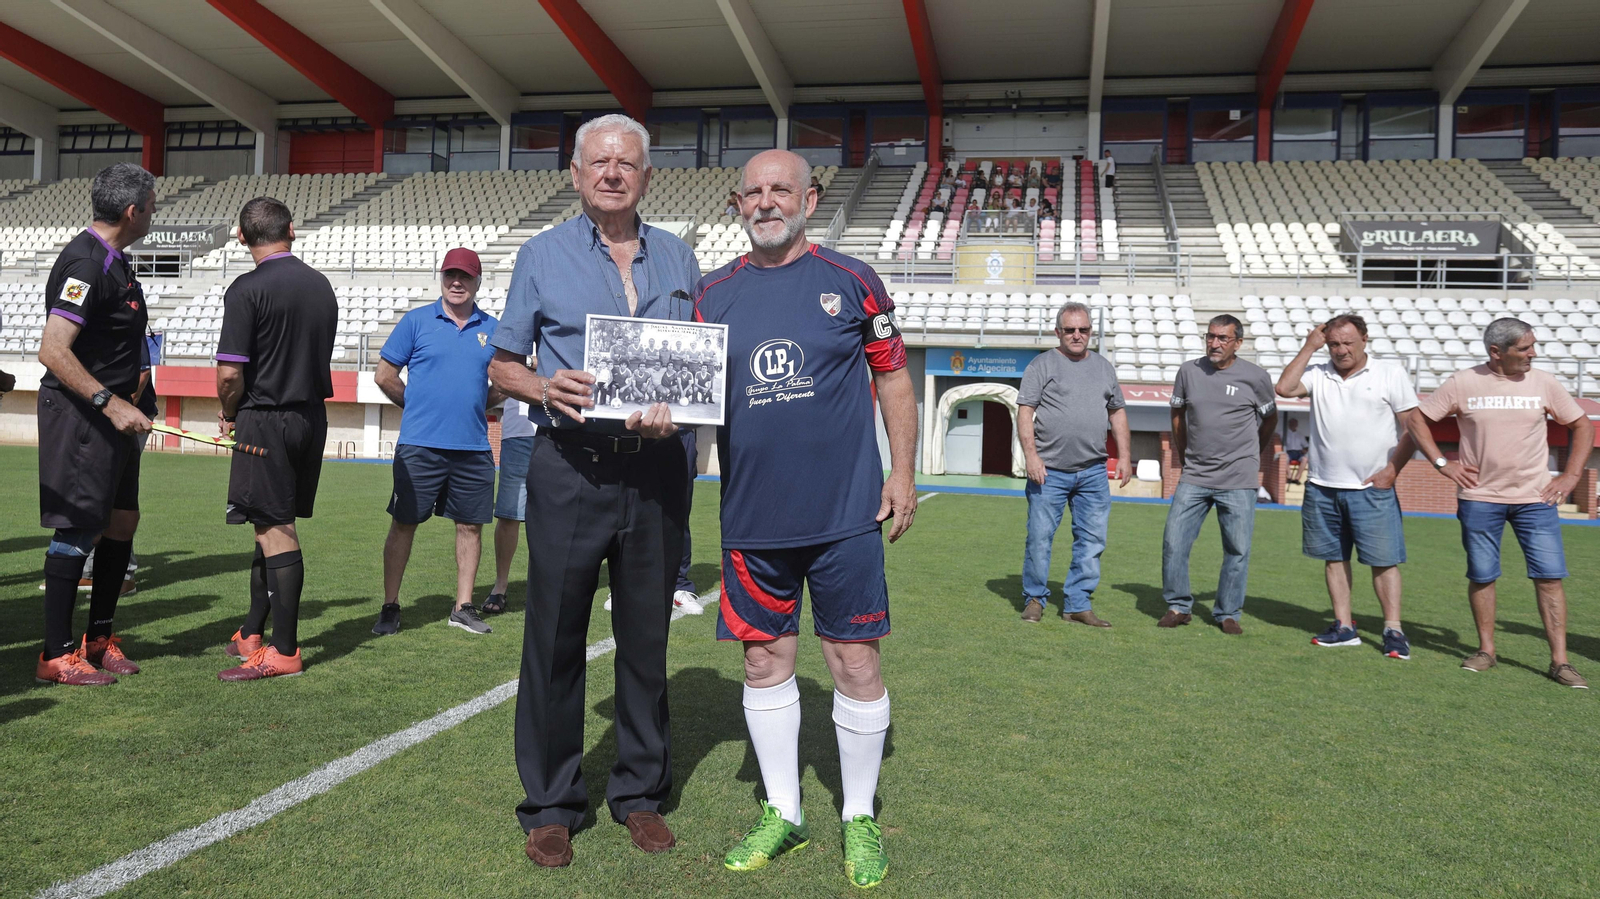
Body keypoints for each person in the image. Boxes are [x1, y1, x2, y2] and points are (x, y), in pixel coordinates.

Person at [697, 149, 916, 890]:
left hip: (847, 515)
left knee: (855, 662)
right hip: (752, 521)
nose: (766, 202)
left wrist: (905, 472)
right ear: (737, 204)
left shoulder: (852, 281)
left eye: (780, 189)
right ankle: (783, 811)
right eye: (753, 192)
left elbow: (893, 375)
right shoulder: (709, 295)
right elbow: (690, 406)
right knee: (763, 661)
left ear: (809, 199)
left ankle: (859, 815)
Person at [486, 114, 698, 867]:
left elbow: (703, 360)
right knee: (553, 637)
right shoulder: (540, 255)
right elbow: (503, 365)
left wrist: (689, 407)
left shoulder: (681, 255)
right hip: (569, 465)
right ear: (575, 175)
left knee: (647, 636)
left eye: (627, 163)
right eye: (598, 162)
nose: (612, 172)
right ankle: (550, 803)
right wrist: (545, 385)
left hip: (658, 471)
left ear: (648, 176)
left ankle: (640, 793)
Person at [1404, 318, 1594, 688]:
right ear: (1496, 352)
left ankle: (1560, 661)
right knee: (1482, 575)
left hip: (1536, 498)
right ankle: (1486, 651)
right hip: (1479, 498)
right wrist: (1443, 463)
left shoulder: (1544, 383)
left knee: (1550, 577)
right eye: (1524, 348)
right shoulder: (1463, 382)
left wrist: (1571, 475)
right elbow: (1416, 419)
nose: (1532, 354)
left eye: (1532, 346)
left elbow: (1582, 425)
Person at [33, 162, 156, 686]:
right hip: (85, 418)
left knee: (122, 524)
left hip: (119, 423)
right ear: (133, 212)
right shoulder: (85, 264)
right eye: (153, 205)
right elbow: (52, 350)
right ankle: (55, 655)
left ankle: (99, 640)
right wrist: (111, 402)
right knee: (78, 529)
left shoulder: (117, 260)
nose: (155, 212)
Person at [214, 197, 338, 681]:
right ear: (292, 229)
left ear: (242, 237)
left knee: (274, 529)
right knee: (269, 524)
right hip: (311, 418)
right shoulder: (321, 284)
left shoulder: (246, 288)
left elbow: (230, 375)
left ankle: (283, 651)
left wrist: (228, 414)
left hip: (266, 420)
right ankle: (251, 632)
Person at [370, 249, 501, 637]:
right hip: (419, 447)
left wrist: (479, 401)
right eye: (450, 275)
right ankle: (391, 606)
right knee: (404, 523)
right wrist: (417, 404)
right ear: (441, 278)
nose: (456, 282)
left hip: (474, 447)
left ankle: (462, 607)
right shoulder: (416, 321)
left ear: (478, 282)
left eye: (465, 276)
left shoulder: (493, 329)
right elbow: (384, 375)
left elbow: (506, 384)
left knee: (471, 527)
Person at [1275, 315, 1419, 659]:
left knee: (1383, 562)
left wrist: (1393, 470)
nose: (1340, 351)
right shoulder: (1318, 372)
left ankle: (1393, 630)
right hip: (1323, 486)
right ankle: (1343, 626)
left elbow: (1413, 428)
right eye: (1334, 344)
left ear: (1365, 340)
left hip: (1372, 488)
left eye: (1347, 343)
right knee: (1334, 558)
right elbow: (1284, 388)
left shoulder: (1390, 373)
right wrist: (1311, 346)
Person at [1159, 314, 1277, 634]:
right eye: (1210, 336)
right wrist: (1184, 456)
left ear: (1238, 343)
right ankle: (1179, 606)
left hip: (1239, 479)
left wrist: (1252, 456)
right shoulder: (1188, 372)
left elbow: (1269, 420)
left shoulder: (1256, 377)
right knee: (1173, 542)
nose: (1215, 343)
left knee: (1237, 550)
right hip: (1195, 475)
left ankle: (1227, 612)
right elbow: (1177, 415)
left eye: (1223, 338)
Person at [1017, 302, 1131, 626]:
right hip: (1048, 471)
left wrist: (1124, 455)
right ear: (1058, 332)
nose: (1077, 335)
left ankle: (1078, 604)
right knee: (1039, 538)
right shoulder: (1041, 365)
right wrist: (1031, 457)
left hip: (1093, 471)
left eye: (1083, 329)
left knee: (1093, 540)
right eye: (1070, 330)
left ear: (1091, 332)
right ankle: (1035, 599)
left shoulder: (1105, 368)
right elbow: (1025, 410)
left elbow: (1117, 411)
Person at [486, 391, 536, 615]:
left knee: (557, 515)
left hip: (559, 430)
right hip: (518, 432)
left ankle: (549, 585)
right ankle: (500, 585)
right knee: (509, 514)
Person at [1283, 417, 1308, 484]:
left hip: (1298, 452)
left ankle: (1297, 478)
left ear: (1297, 425)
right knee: (1284, 458)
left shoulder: (1300, 435)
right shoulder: (1284, 433)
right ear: (1289, 424)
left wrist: (1305, 450)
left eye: (1295, 424)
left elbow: (1306, 445)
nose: (1293, 425)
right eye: (1292, 423)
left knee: (1305, 459)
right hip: (1289, 452)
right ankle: (1289, 476)